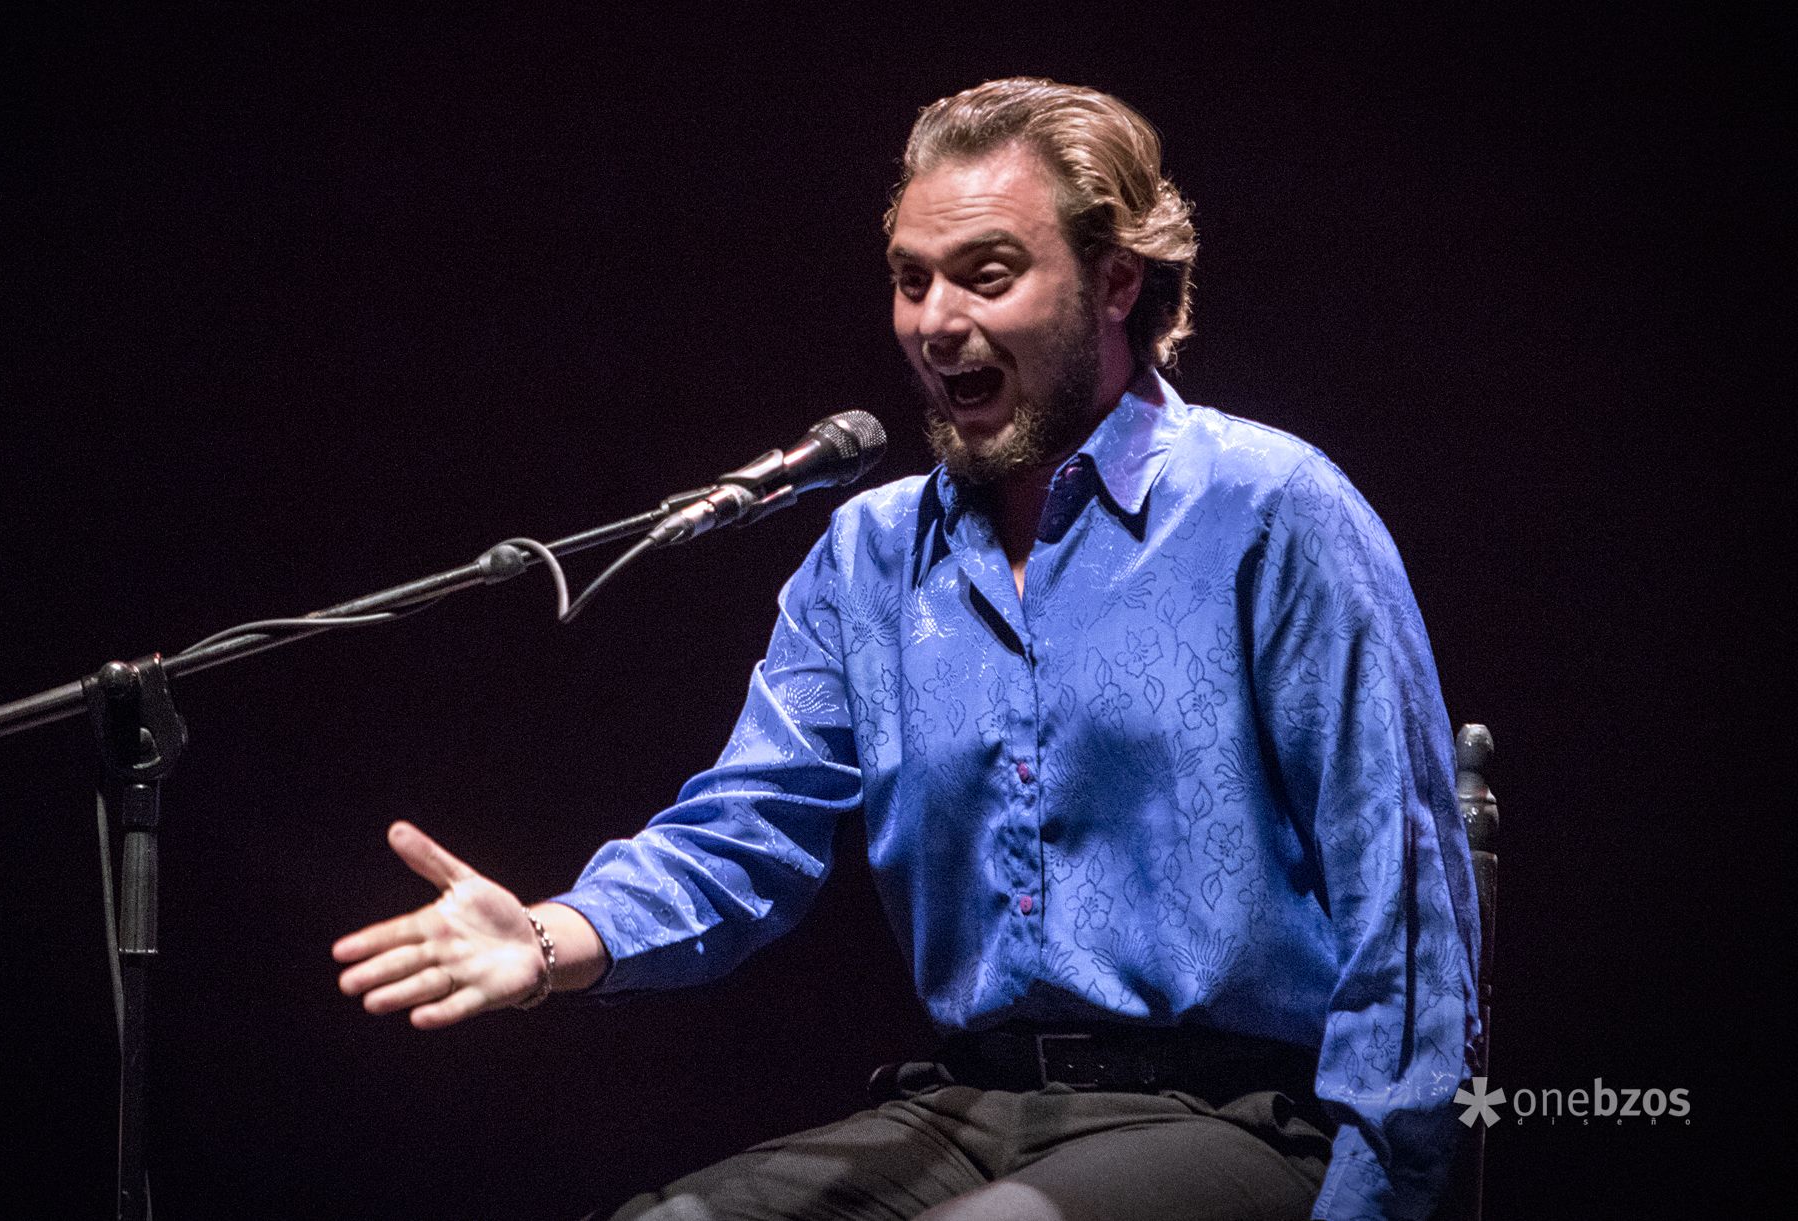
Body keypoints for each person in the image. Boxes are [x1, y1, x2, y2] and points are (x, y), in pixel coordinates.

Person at [333, 77, 1481, 1221]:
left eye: (986, 274)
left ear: (1115, 282)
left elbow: (1404, 907)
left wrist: (1382, 1196)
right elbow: (745, 830)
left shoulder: (1268, 509)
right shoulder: (869, 553)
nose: (934, 320)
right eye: (909, 279)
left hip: (1237, 1125)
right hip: (969, 1108)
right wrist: (547, 937)